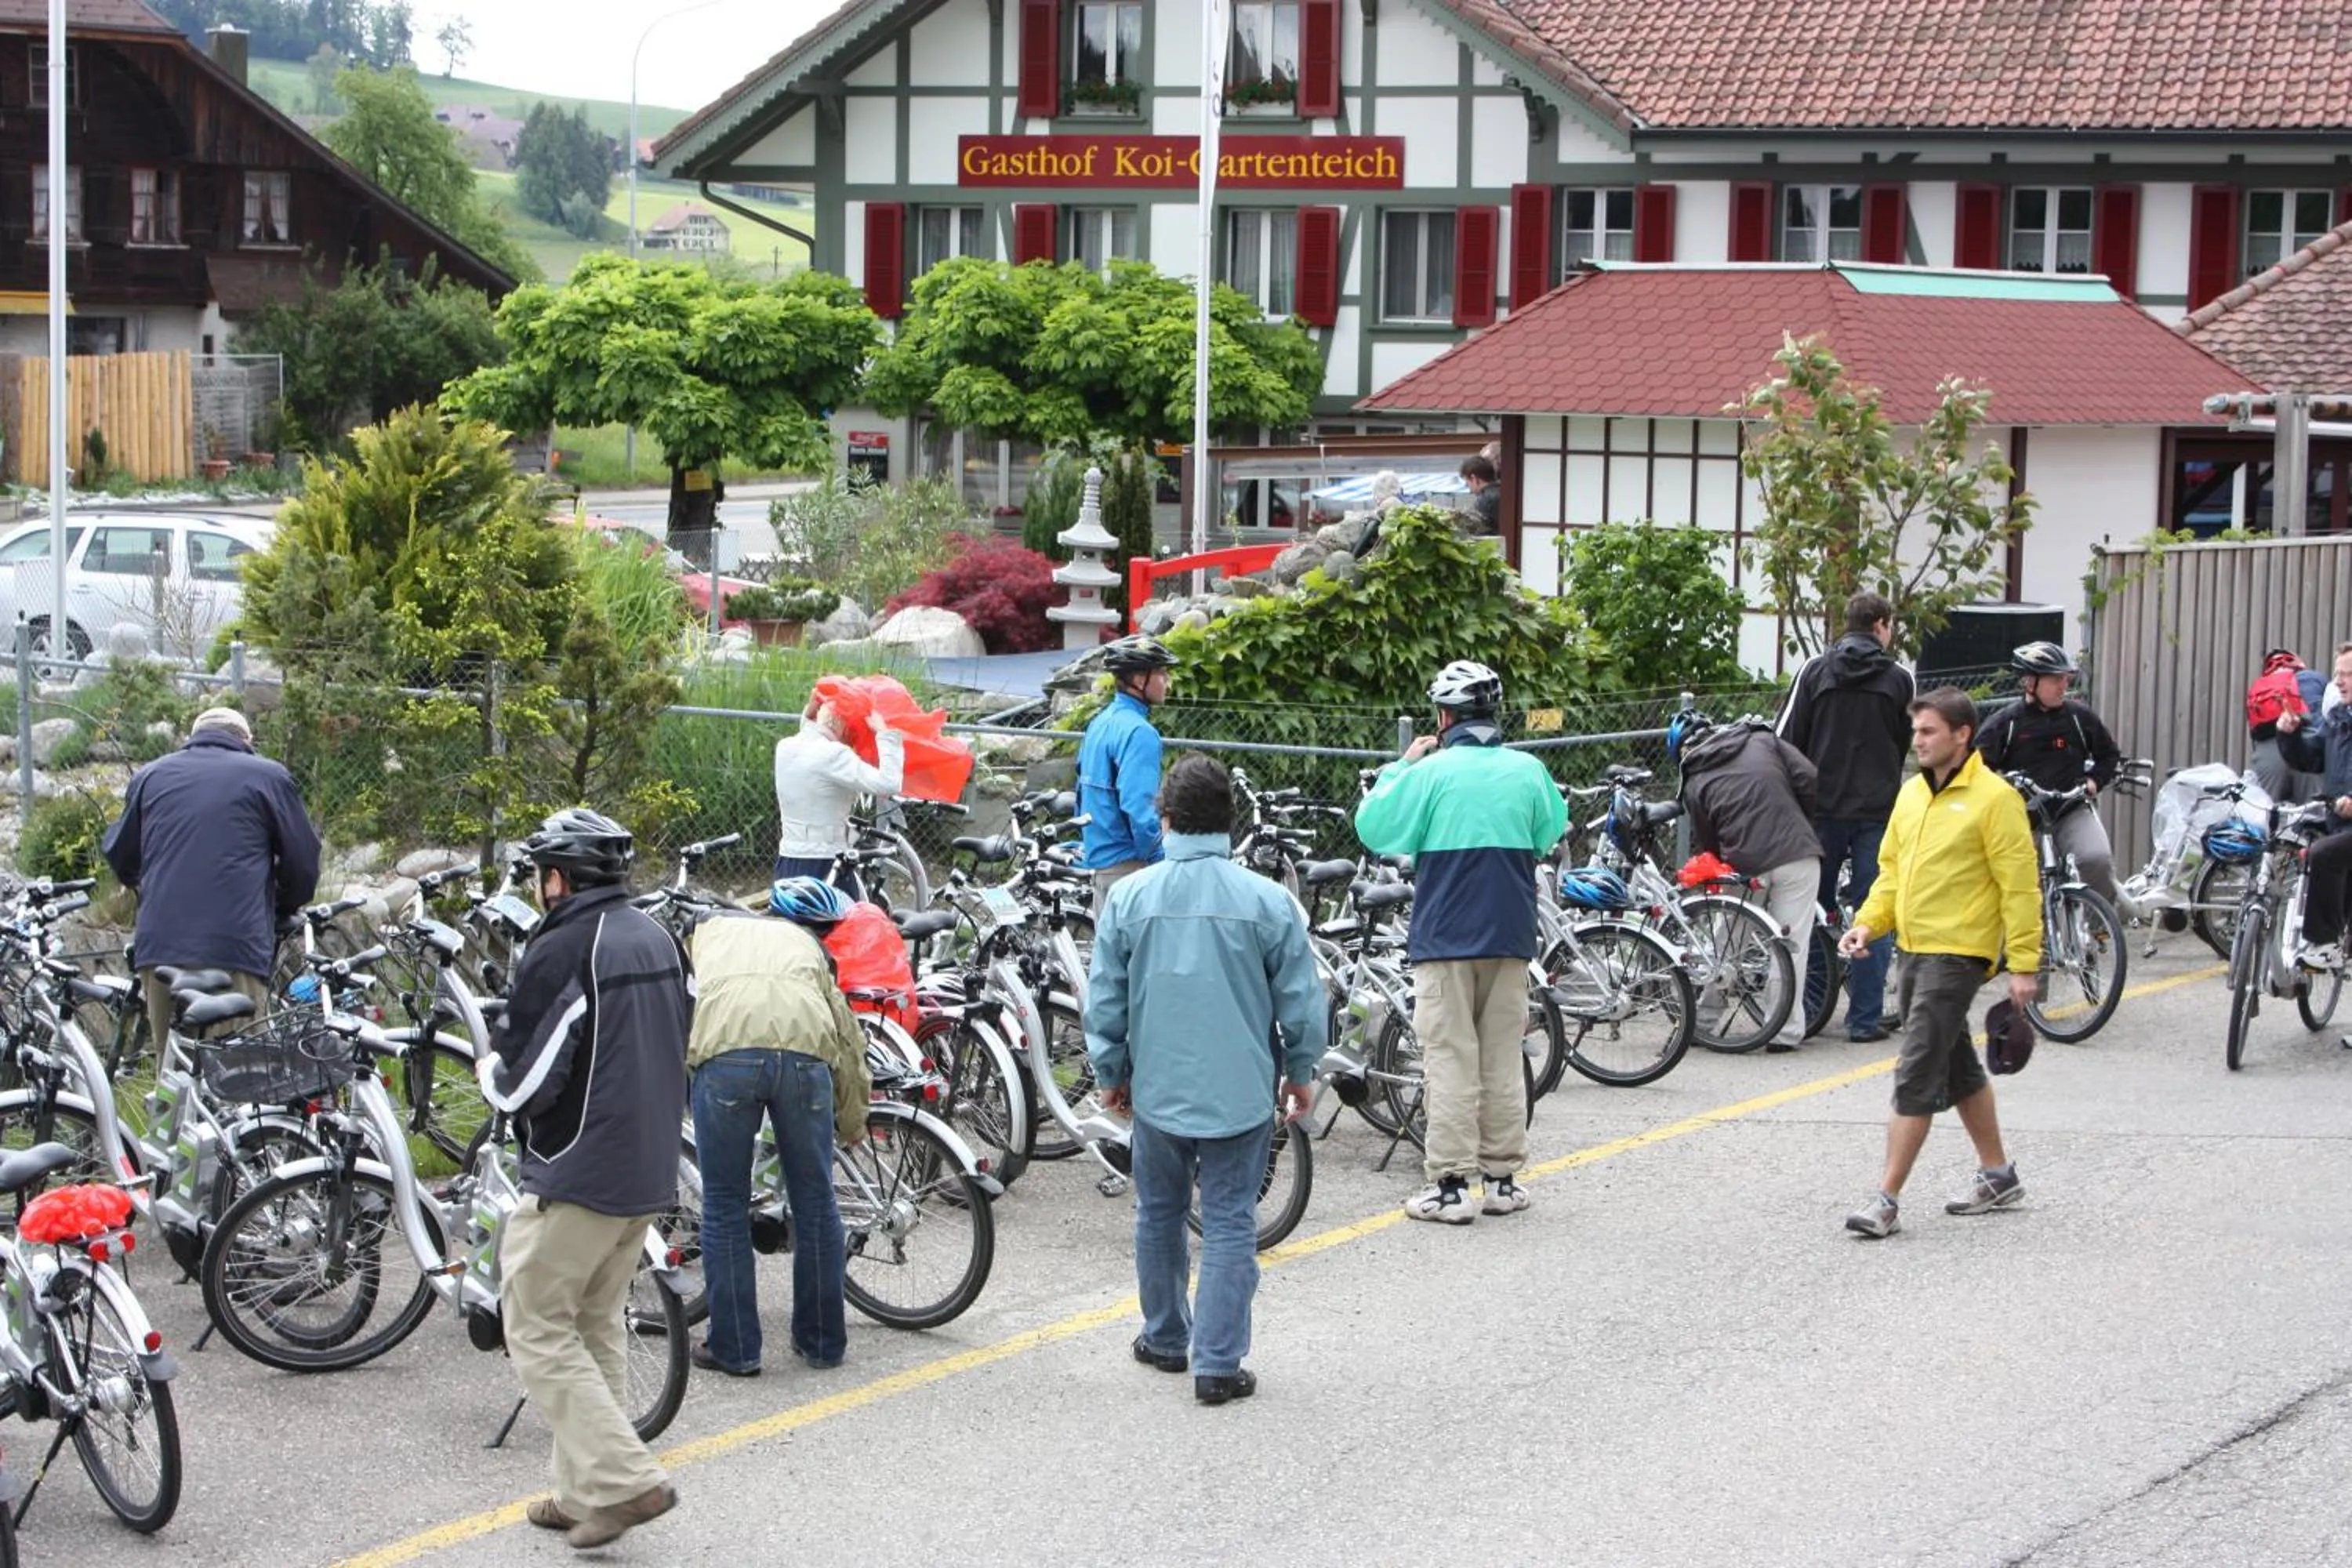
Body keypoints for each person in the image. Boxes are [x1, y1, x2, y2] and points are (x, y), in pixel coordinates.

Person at [477, 808, 689, 1551]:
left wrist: (486, 1072)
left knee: (532, 1319)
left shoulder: (564, 944)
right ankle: (581, 1493)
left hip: (578, 1167)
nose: (539, 886)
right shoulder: (654, 932)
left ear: (558, 878)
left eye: (541, 872)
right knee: (595, 1322)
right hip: (649, 1161)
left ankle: (627, 1480)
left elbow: (524, 1080)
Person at [1086, 755, 1323, 1405]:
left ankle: (1164, 1338)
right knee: (1227, 1220)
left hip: (1157, 1089)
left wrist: (1112, 1071)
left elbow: (1105, 999)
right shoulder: (1269, 901)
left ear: (1166, 820)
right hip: (1242, 1091)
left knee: (1158, 1212)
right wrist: (1301, 1072)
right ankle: (1218, 1363)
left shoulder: (1130, 898)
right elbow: (1301, 1000)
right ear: (1229, 822)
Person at [1356, 659, 1566, 1224]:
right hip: (1511, 932)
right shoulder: (1528, 771)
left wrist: (1403, 765)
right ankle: (1502, 1181)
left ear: (1445, 717)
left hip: (1446, 934)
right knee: (1502, 1055)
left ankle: (1449, 1189)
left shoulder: (1431, 773)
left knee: (1449, 1058)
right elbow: (1550, 831)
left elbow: (1372, 827)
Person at [1840, 688, 2042, 1240]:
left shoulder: (1995, 799)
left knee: (1917, 1066)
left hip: (1960, 952)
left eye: (1929, 731)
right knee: (1957, 1065)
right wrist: (1868, 924)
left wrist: (2024, 963)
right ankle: (1999, 1175)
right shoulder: (1910, 796)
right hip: (1914, 946)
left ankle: (1885, 1199)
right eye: (1916, 731)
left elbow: (2019, 886)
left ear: (1962, 735)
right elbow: (1891, 872)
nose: (1919, 741)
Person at [684, 877, 870, 1378]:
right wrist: (853, 1119)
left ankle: (736, 1348)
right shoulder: (807, 946)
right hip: (806, 1058)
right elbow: (847, 1038)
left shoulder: (705, 934)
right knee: (815, 1199)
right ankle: (823, 1342)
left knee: (724, 1203)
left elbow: (683, 1012)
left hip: (727, 1058)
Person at [100, 706, 320, 1047]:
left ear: (192, 739)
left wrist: (152, 890)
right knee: (238, 1073)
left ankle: (170, 1099)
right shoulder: (268, 777)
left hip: (160, 945)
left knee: (172, 1070)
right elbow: (303, 863)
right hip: (233, 944)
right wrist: (280, 906)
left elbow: (120, 854)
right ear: (246, 740)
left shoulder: (151, 776)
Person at [1775, 593, 1915, 1043]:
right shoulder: (1899, 679)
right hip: (1878, 810)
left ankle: (1812, 1009)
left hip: (1821, 809)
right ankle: (1864, 1020)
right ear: (1880, 625)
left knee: (1815, 908)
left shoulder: (1815, 670)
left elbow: (1786, 738)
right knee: (1872, 909)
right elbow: (1906, 741)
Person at [1671, 709, 1823, 1052]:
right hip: (1797, 853)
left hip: (1745, 864)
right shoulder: (1762, 739)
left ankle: (1704, 1022)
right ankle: (1783, 1033)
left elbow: (1709, 844)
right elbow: (1809, 778)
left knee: (1728, 942)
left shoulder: (1695, 780)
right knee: (1789, 944)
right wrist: (1800, 818)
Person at [1973, 641, 2124, 905]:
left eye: (2066, 679)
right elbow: (1975, 769)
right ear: (2030, 682)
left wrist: (2094, 781)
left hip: (2071, 809)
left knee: (2096, 859)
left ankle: (2095, 930)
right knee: (2020, 881)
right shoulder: (2006, 724)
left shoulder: (2079, 717)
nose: (2064, 686)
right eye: (2056, 679)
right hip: (2023, 818)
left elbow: (2109, 755)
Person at [1078, 634, 1176, 907]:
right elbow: (1138, 806)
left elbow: (1080, 791)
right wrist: (1162, 862)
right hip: (1131, 868)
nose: (1167, 681)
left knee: (1108, 948)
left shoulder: (1100, 723)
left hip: (1101, 861)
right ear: (1138, 679)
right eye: (1161, 672)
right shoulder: (1140, 733)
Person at [773, 691, 906, 888]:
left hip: (788, 859)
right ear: (838, 723)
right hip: (826, 862)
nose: (851, 735)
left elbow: (811, 741)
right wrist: (884, 734)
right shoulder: (835, 755)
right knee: (839, 918)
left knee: (788, 918)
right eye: (850, 725)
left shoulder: (786, 747)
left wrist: (810, 715)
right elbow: (889, 783)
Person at [2275, 642, 2352, 971]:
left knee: (2324, 854)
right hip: (2339, 821)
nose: (2339, 681)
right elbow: (2311, 758)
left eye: (2348, 674)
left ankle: (2324, 941)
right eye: (2337, 673)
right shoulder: (2337, 718)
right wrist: (2290, 736)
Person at [2246, 648, 2313, 803]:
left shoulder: (2258, 691)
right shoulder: (2309, 682)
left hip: (2268, 758)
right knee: (2313, 817)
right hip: (2306, 752)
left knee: (2264, 816)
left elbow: (2254, 735)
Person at [1459, 454, 1501, 534]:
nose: (1468, 487)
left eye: (1467, 482)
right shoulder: (1505, 491)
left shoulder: (1485, 500)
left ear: (1474, 478)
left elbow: (1478, 531)